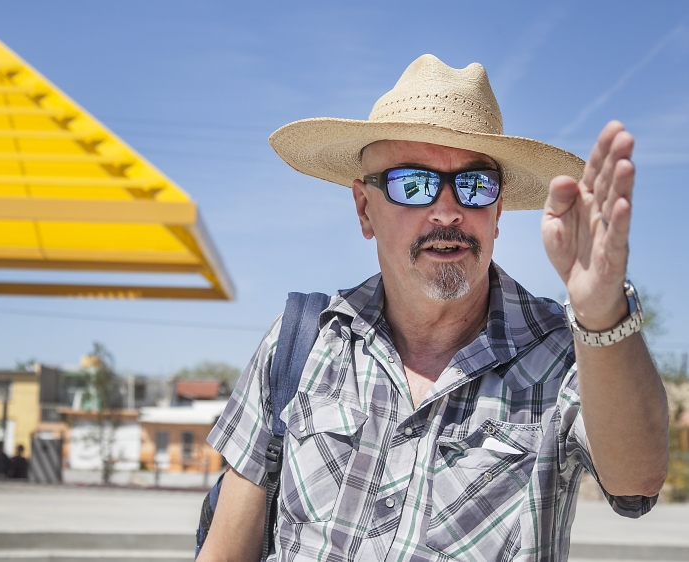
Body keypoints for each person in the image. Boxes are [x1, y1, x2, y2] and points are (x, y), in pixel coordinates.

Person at [199, 55, 668, 562]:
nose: (448, 211)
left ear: (497, 211)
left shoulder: (566, 354)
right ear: (365, 209)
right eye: (413, 184)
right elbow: (225, 553)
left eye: (474, 185)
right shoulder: (301, 341)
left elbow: (637, 480)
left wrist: (603, 312)